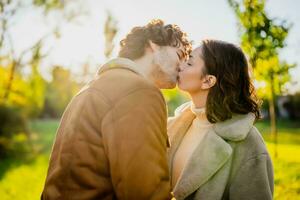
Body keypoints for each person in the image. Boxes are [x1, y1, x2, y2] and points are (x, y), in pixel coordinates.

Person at [41, 19, 191, 200]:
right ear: (154, 45)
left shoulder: (91, 87)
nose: (183, 66)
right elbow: (146, 192)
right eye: (180, 54)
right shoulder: (140, 91)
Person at [168, 39, 273, 200]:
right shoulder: (174, 124)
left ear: (208, 81)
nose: (179, 65)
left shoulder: (248, 142)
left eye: (189, 63)